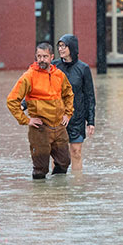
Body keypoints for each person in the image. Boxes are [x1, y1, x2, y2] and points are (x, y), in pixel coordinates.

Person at [7, 42, 74, 179]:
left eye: (45, 56)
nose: (41, 60)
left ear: (51, 57)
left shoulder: (59, 75)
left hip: (59, 127)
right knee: (40, 169)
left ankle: (58, 195)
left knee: (64, 162)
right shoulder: (29, 76)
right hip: (40, 127)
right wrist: (26, 120)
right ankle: (40, 197)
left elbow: (69, 95)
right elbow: (12, 100)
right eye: (39, 56)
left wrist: (68, 114)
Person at [52, 34, 96, 171]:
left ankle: (77, 186)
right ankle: (57, 186)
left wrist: (91, 121)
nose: (60, 49)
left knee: (76, 152)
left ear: (71, 47)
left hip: (77, 117)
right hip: (57, 117)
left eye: (63, 46)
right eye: (59, 46)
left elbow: (89, 96)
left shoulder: (83, 69)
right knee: (57, 154)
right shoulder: (54, 67)